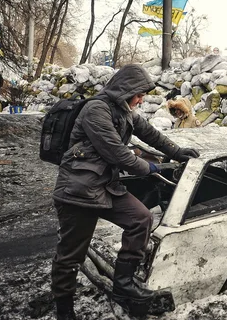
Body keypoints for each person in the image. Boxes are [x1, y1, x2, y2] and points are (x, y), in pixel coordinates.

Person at [51, 64, 200, 319]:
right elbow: (117, 153)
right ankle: (64, 309)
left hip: (104, 185)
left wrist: (176, 152)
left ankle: (124, 283)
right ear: (125, 89)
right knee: (71, 254)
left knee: (140, 218)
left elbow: (151, 133)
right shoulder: (95, 110)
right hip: (79, 191)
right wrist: (151, 167)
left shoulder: (125, 110)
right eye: (139, 94)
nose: (141, 99)